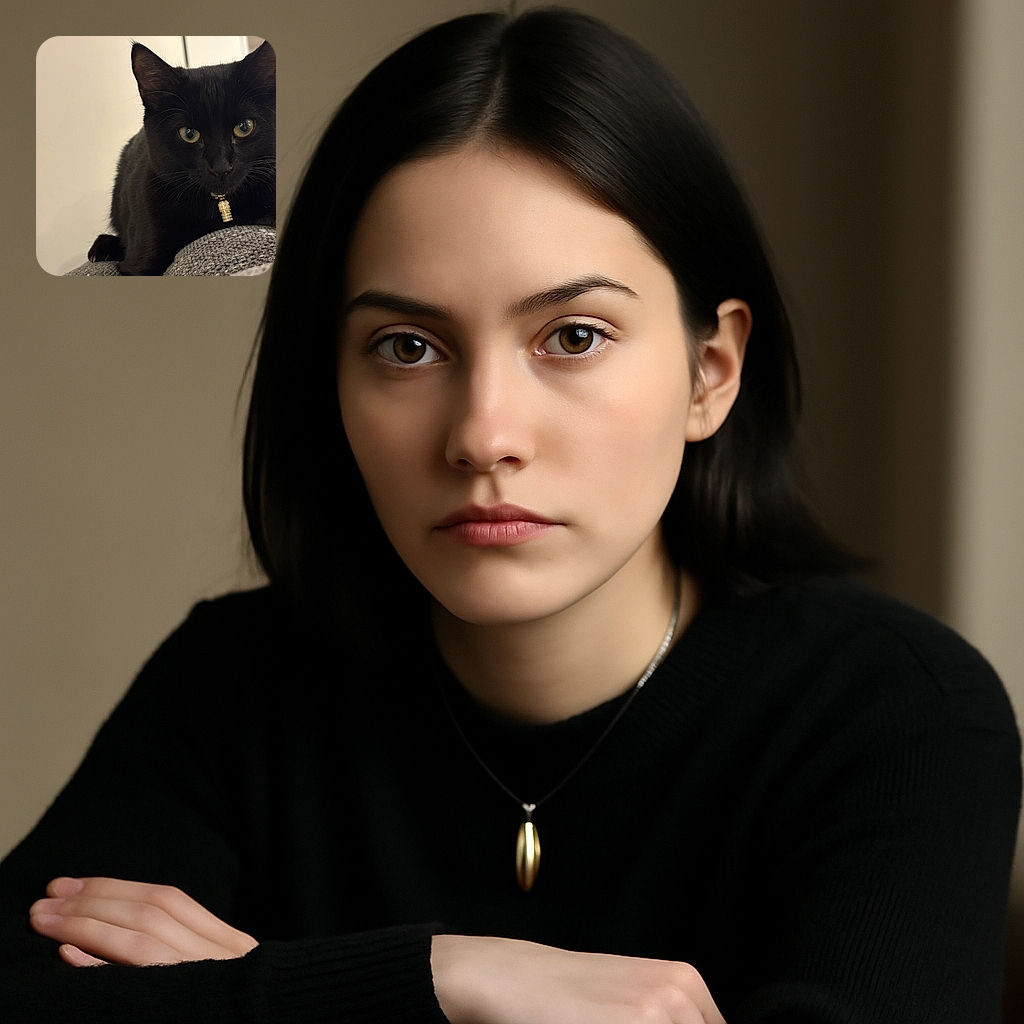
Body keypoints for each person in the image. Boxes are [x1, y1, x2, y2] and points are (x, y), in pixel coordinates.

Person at [1, 8, 1019, 1022]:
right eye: (407, 347)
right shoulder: (233, 689)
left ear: (711, 373)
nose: (483, 435)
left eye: (572, 335)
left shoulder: (894, 713)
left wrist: (267, 987)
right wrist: (452, 977)